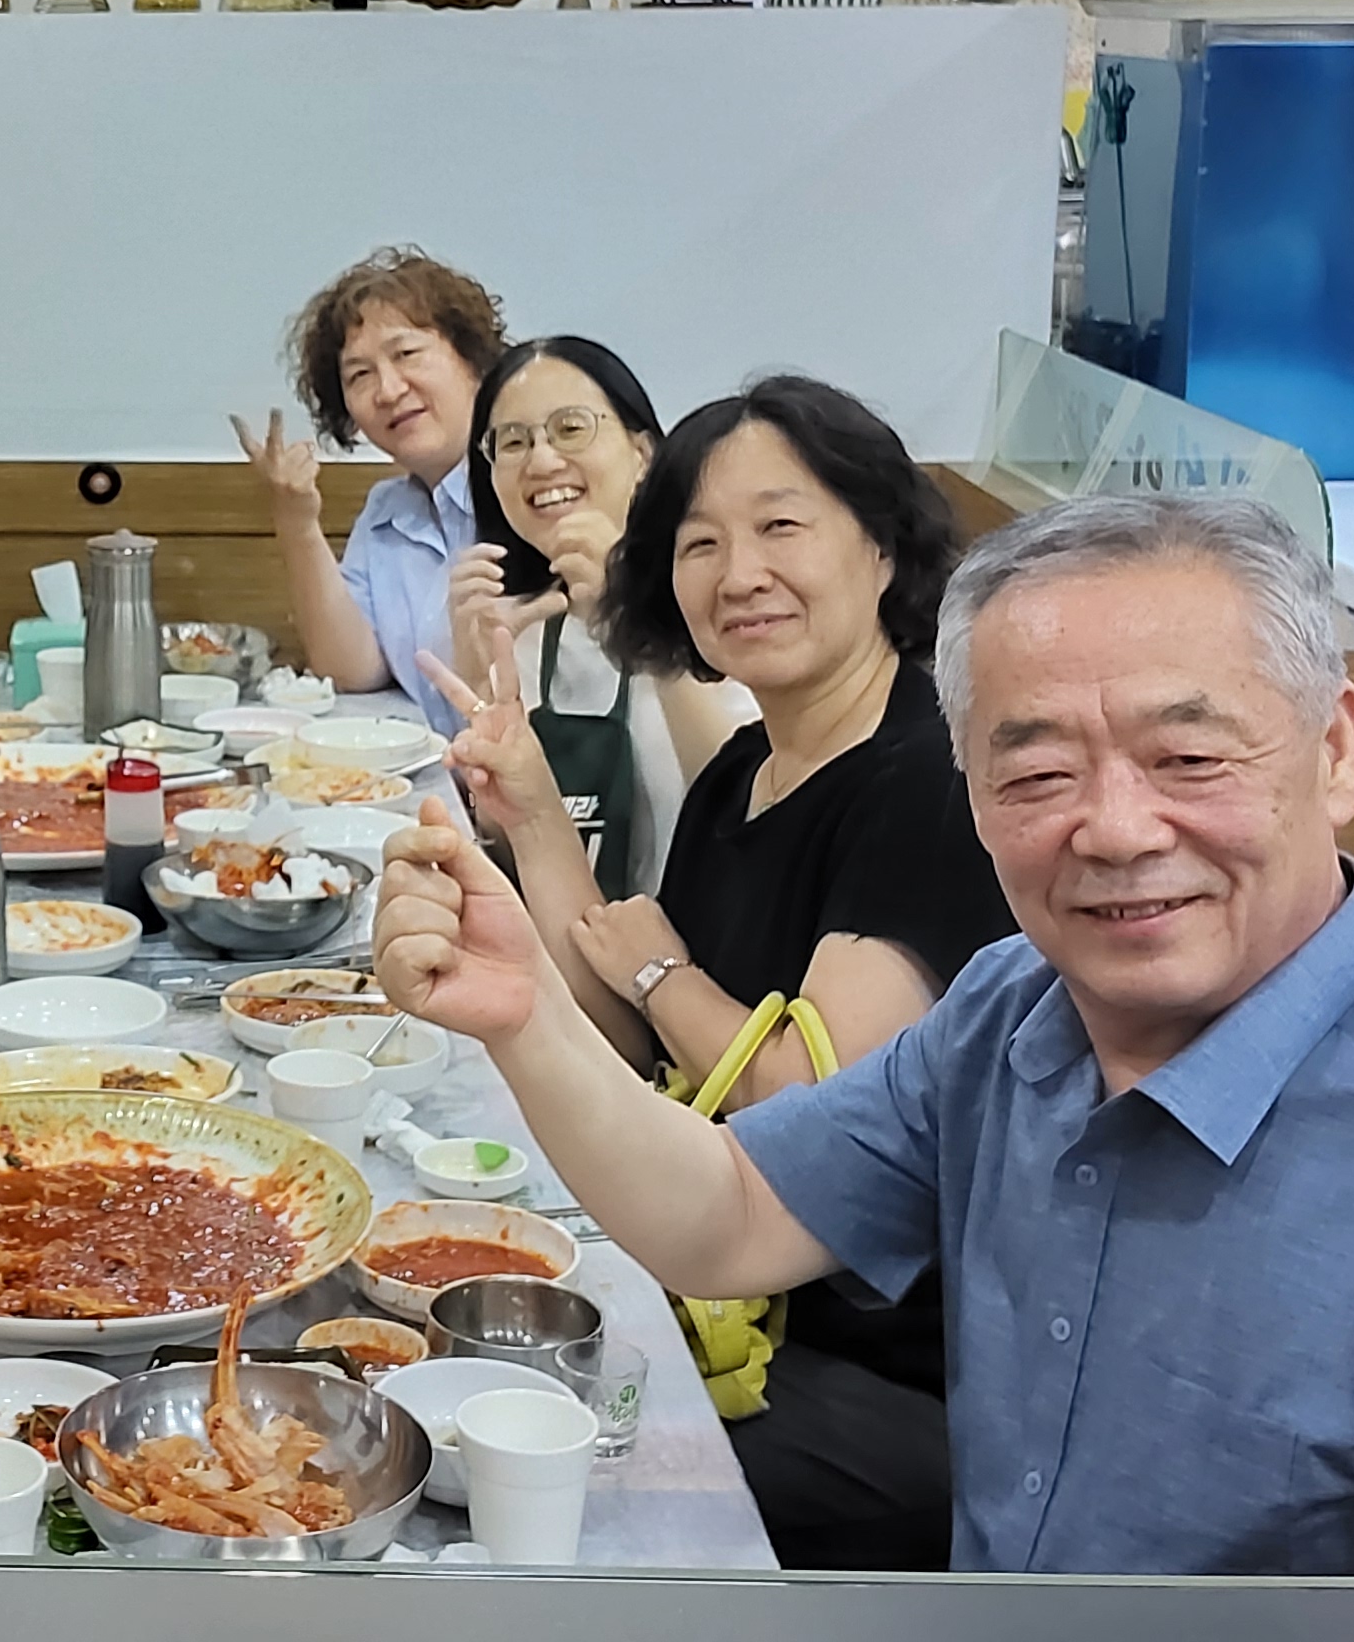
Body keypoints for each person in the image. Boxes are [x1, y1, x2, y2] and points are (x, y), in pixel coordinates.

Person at [374, 492, 1354, 1576]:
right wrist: (526, 1013)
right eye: (1038, 770)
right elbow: (729, 1215)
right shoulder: (1015, 1015)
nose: (1113, 829)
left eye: (1189, 758)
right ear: (972, 795)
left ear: (1337, 750)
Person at [431, 373, 1010, 1569]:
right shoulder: (745, 768)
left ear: (884, 548)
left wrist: (663, 975)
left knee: (519, 1490)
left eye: (781, 526)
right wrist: (532, 817)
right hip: (719, 1299)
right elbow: (630, 1035)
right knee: (443, 1393)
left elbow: (804, 1099)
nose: (739, 572)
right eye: (699, 543)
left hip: (872, 1367)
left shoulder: (930, 782)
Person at [442, 336, 754, 900]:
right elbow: (516, 855)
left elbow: (753, 809)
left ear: (643, 454)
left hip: (710, 937)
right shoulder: (520, 629)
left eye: (570, 428)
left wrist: (635, 618)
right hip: (569, 938)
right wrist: (478, 697)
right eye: (512, 441)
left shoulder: (724, 595)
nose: (541, 461)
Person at [235, 246, 507, 732]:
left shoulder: (529, 489)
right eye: (359, 375)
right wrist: (297, 522)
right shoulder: (387, 511)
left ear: (472, 360)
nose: (388, 390)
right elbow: (352, 670)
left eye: (407, 355)